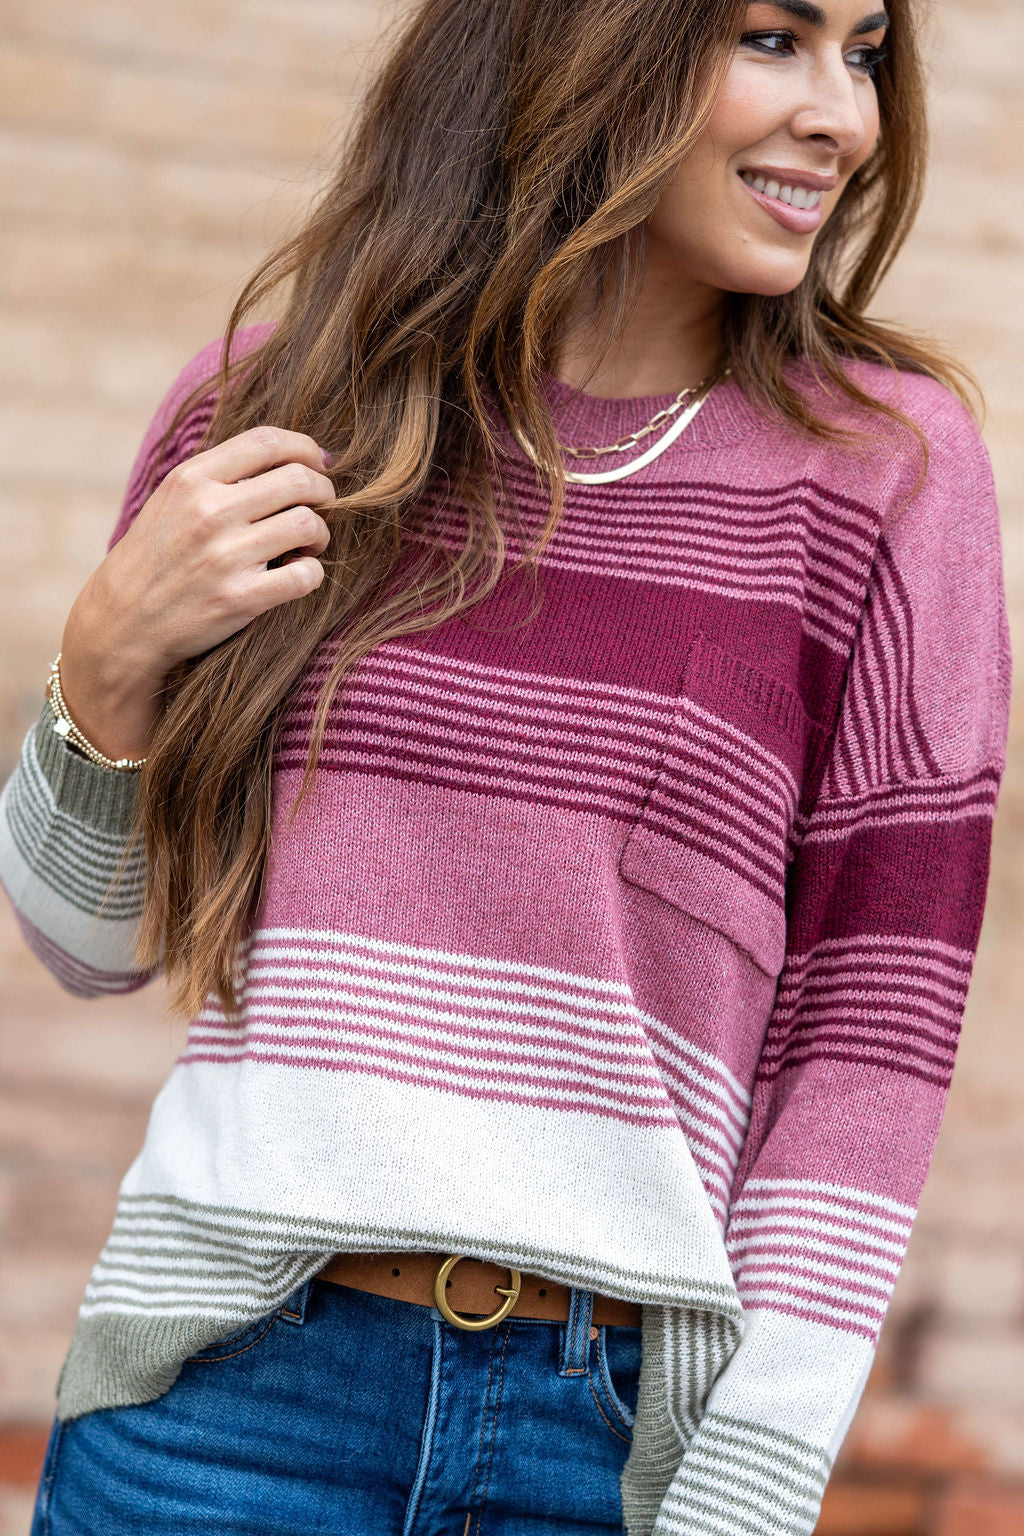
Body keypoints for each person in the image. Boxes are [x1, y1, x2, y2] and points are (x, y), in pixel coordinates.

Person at [1, 0, 1011, 1531]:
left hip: (593, 1444)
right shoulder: (274, 415)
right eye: (772, 39)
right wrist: (102, 663)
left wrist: (749, 1489)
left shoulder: (883, 475)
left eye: (864, 55)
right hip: (219, 1412)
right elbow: (95, 943)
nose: (845, 117)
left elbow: (866, 1047)